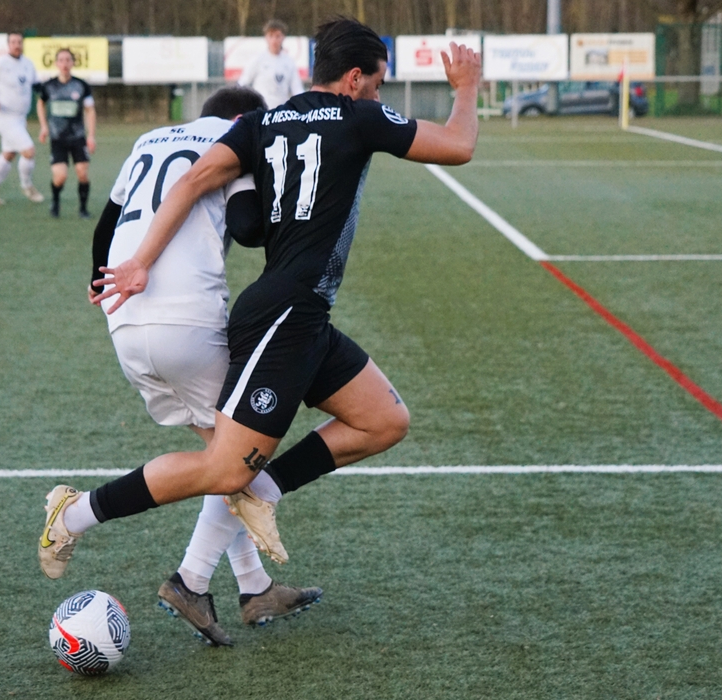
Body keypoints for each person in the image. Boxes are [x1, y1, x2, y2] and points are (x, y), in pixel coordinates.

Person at [40, 18, 480, 582]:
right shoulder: (359, 115)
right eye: (375, 84)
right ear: (353, 80)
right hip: (283, 313)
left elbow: (193, 182)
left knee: (383, 420)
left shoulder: (263, 122)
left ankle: (261, 499)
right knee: (226, 468)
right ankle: (77, 512)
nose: (377, 95)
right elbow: (459, 144)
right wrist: (466, 87)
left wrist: (141, 258)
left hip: (304, 313)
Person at [71, 85, 321, 646]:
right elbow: (249, 225)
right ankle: (99, 526)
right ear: (244, 119)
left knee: (223, 457)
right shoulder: (237, 139)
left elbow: (106, 224)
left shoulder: (149, 138)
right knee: (240, 456)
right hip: (186, 320)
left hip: (125, 322)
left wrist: (98, 279)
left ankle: (254, 588)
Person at [0, 32, 44, 206]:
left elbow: (37, 86)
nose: (17, 45)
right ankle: (27, 186)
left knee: (9, 154)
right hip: (5, 117)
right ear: (8, 45)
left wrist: (51, 92)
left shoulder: (28, 64)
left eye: (19, 42)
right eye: (13, 42)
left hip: (20, 118)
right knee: (28, 151)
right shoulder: (1, 64)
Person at [37, 49, 97, 219]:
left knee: (82, 173)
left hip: (78, 137)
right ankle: (55, 201)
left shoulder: (81, 85)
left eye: (68, 60)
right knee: (60, 177)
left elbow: (90, 110)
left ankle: (83, 209)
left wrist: (91, 135)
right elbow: (40, 103)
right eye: (61, 60)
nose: (64, 63)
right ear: (56, 63)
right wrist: (44, 126)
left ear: (73, 63)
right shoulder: (49, 86)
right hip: (58, 138)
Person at [238, 19, 305, 109]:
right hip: (262, 111)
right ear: (266, 37)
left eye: (277, 36)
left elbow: (296, 89)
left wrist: (305, 104)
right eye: (271, 36)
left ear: (283, 37)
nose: (274, 40)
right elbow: (243, 83)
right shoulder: (258, 60)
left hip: (280, 112)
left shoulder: (289, 62)